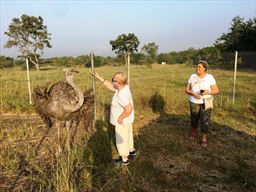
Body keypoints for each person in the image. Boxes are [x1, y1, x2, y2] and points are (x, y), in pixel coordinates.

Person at [92, 71, 137, 165]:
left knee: (121, 140)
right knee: (128, 135)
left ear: (119, 82)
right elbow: (111, 87)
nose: (112, 80)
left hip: (122, 122)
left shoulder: (121, 95)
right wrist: (99, 78)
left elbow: (129, 109)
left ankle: (124, 160)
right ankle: (132, 151)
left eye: (113, 79)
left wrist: (120, 118)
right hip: (128, 120)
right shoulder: (123, 87)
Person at [185, 60, 219, 147]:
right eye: (197, 66)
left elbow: (216, 90)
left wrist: (208, 92)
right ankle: (193, 132)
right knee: (194, 118)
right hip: (194, 101)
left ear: (205, 68)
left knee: (205, 120)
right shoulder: (192, 76)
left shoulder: (210, 77)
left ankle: (204, 137)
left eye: (199, 67)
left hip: (206, 102)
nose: (197, 68)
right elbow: (187, 89)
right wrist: (193, 93)